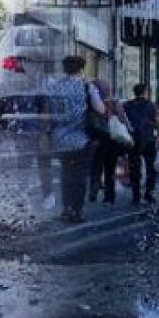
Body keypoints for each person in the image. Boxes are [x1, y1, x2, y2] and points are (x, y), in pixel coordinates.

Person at [43, 55, 104, 223]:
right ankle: (77, 210)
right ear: (81, 69)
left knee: (66, 175)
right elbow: (100, 110)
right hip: (81, 139)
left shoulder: (54, 87)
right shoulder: (87, 87)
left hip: (60, 140)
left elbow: (48, 115)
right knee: (80, 176)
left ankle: (66, 209)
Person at [87, 78, 129, 205]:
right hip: (112, 140)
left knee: (96, 166)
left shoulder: (91, 103)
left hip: (96, 140)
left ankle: (93, 189)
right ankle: (109, 197)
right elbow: (123, 119)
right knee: (110, 169)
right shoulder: (114, 102)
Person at [122, 83, 159, 205]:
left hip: (133, 140)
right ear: (145, 92)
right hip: (148, 139)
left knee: (134, 168)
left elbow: (123, 120)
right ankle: (149, 194)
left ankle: (136, 196)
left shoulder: (127, 105)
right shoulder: (151, 106)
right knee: (151, 168)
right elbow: (158, 122)